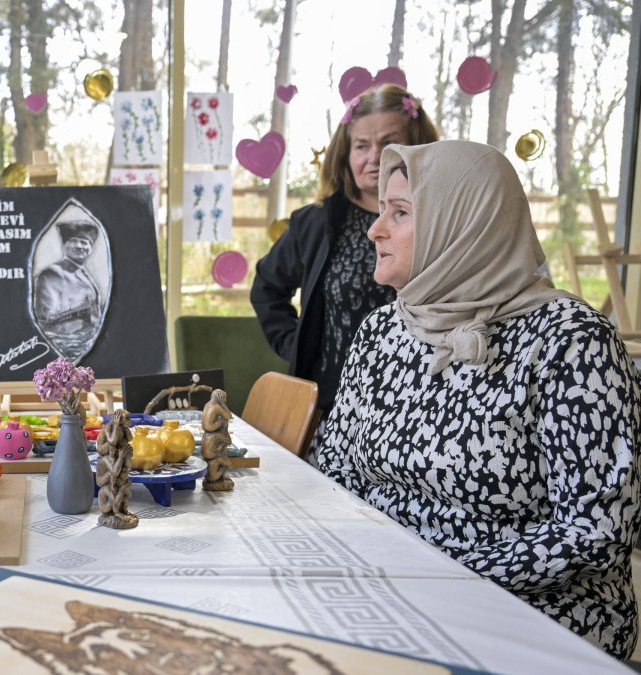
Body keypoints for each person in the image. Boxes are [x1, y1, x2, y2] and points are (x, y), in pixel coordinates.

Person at [318, 140, 641, 660]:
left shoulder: (570, 341)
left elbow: (596, 531)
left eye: (399, 213)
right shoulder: (384, 329)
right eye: (381, 211)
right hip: (393, 596)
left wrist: (440, 576)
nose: (375, 230)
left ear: (464, 226)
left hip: (531, 614)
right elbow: (334, 467)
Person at [250, 84, 439, 433]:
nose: (374, 157)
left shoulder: (441, 218)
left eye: (388, 143)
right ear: (344, 153)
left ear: (417, 146)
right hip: (330, 410)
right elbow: (266, 289)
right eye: (361, 146)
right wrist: (301, 344)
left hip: (420, 409)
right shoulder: (315, 223)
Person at [32, 220, 104, 358]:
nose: (79, 246)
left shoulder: (86, 275)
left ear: (91, 248)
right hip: (65, 346)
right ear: (64, 245)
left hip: (88, 346)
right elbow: (45, 318)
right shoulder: (52, 274)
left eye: (84, 242)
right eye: (73, 241)